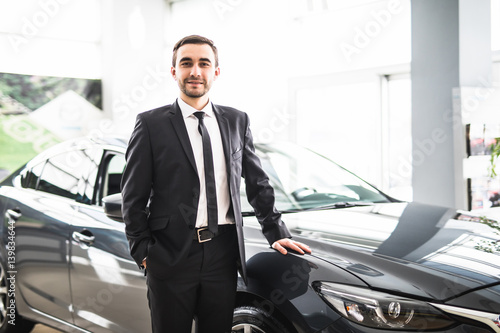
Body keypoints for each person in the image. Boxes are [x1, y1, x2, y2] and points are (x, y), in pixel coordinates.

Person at [121, 34, 311, 333]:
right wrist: (143, 252)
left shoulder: (237, 121)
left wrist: (275, 231)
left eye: (203, 63)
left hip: (223, 254)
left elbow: (258, 182)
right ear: (174, 72)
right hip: (170, 254)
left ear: (215, 71)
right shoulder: (151, 124)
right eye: (186, 63)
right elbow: (133, 197)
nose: (195, 71)